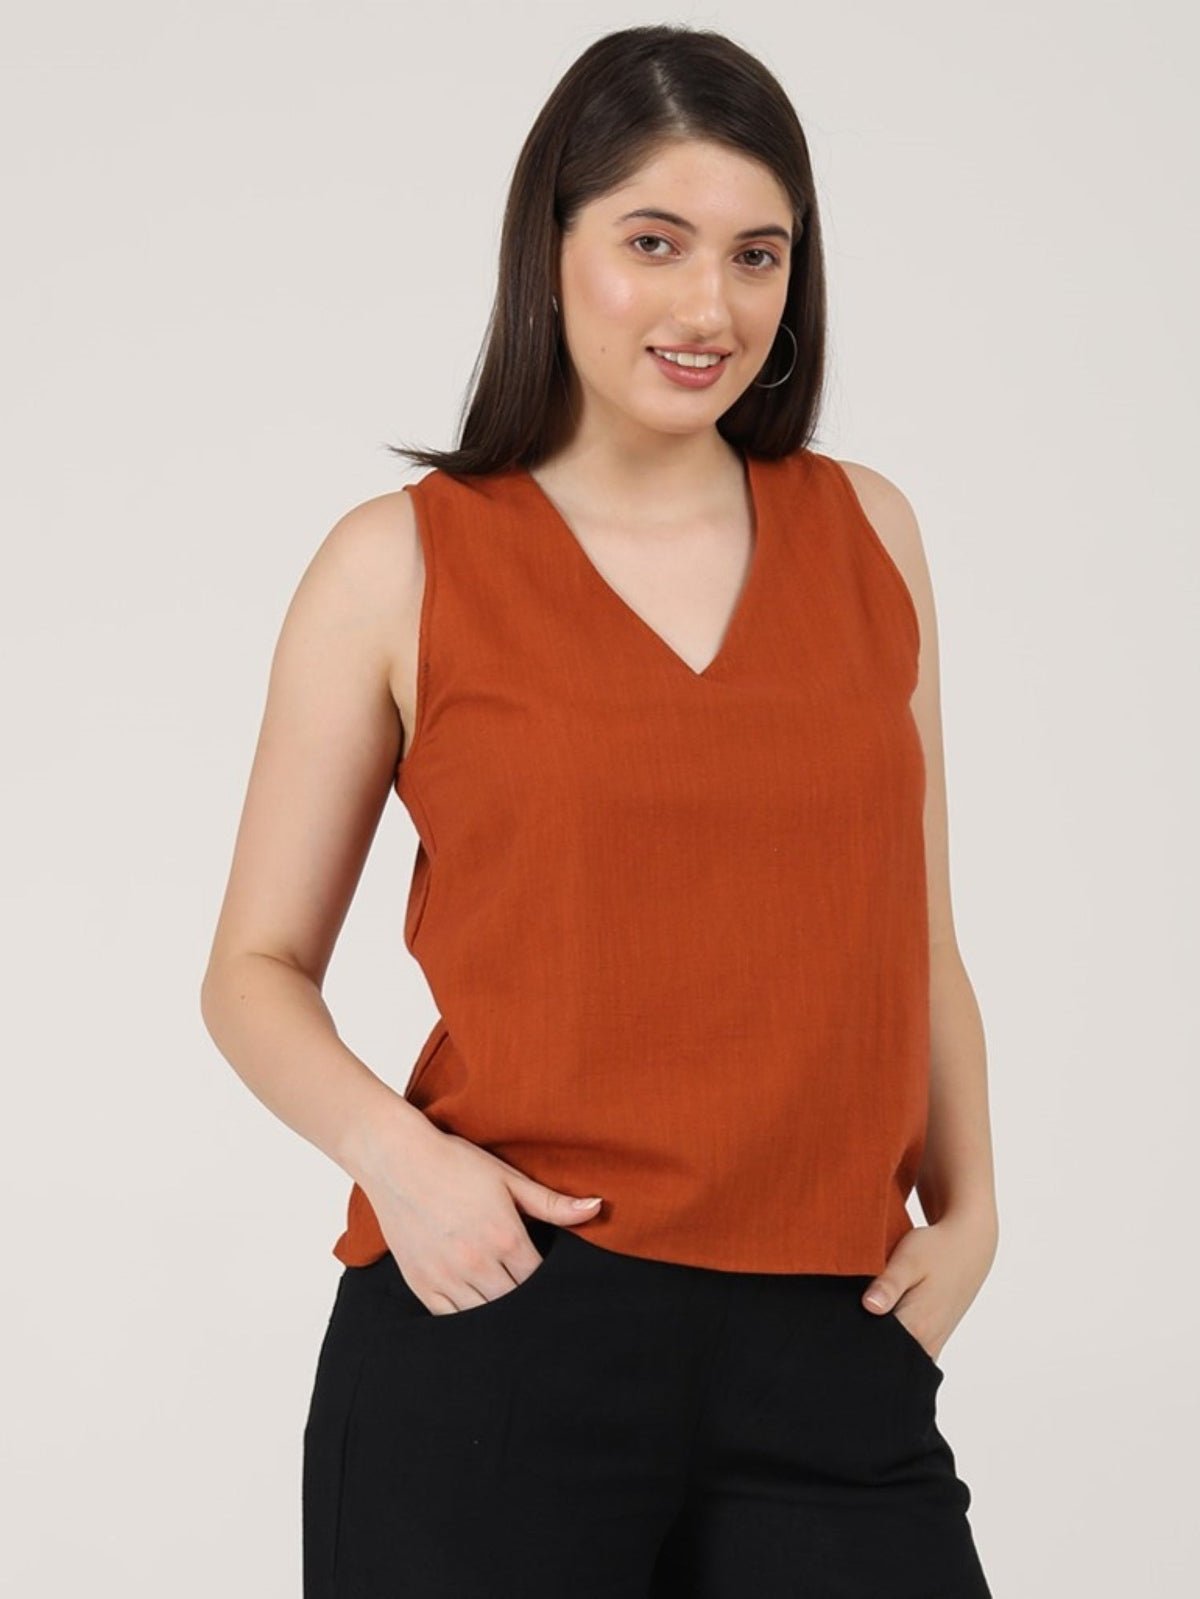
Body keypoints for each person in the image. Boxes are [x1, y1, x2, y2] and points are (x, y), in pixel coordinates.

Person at [200, 22, 999, 1598]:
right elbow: (251, 971)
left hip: (832, 1353)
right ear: (549, 250)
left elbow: (919, 931)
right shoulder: (398, 563)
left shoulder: (870, 534)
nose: (713, 308)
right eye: (655, 242)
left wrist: (973, 1211)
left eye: (759, 255)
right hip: (503, 1323)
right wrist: (400, 1161)